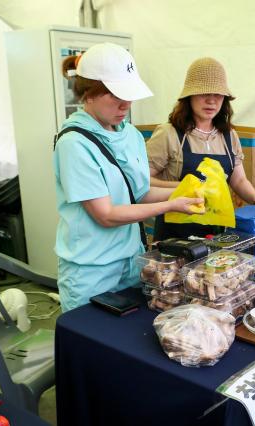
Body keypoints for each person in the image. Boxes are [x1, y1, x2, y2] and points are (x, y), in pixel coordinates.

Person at [54, 43, 201, 311]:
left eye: (129, 95)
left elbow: (140, 193)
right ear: (88, 94)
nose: (125, 105)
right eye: (114, 96)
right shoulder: (74, 143)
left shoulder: (130, 135)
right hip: (91, 270)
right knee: (93, 342)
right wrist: (171, 205)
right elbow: (106, 214)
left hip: (132, 261)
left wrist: (184, 193)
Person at [146, 57, 255, 240]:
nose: (211, 101)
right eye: (204, 93)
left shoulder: (228, 135)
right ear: (189, 97)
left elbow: (239, 180)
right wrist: (183, 187)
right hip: (175, 235)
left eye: (218, 95)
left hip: (218, 233)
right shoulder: (169, 134)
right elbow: (142, 180)